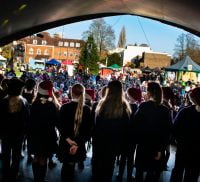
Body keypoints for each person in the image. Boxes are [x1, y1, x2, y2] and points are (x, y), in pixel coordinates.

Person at [92, 80, 131, 182]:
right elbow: (126, 129)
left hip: (100, 142)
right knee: (109, 168)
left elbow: (96, 124)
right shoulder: (124, 106)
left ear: (108, 90)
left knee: (98, 168)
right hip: (114, 144)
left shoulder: (102, 104)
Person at [133, 82, 172, 182]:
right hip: (156, 146)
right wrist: (161, 149)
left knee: (140, 171)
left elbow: (135, 125)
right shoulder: (165, 110)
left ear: (149, 93)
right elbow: (167, 132)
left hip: (143, 144)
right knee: (152, 173)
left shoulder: (143, 106)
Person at [58, 83, 91, 182]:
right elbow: (88, 130)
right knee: (71, 168)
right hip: (79, 143)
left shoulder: (64, 107)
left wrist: (68, 139)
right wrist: (77, 143)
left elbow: (60, 126)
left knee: (66, 167)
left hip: (65, 142)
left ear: (71, 93)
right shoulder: (87, 109)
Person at [28, 80, 59, 182]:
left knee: (36, 157)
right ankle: (41, 179)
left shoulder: (34, 103)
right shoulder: (51, 105)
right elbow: (55, 121)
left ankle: (36, 178)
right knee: (43, 158)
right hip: (47, 135)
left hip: (35, 135)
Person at [0, 78, 29, 181]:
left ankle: (5, 174)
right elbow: (26, 120)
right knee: (16, 156)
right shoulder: (24, 102)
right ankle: (14, 174)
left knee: (5, 155)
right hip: (18, 135)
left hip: (5, 134)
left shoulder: (3, 101)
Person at [170, 87, 200, 182]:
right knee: (192, 173)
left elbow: (175, 129)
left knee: (178, 171)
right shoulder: (185, 111)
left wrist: (178, 140)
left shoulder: (185, 111)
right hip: (196, 151)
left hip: (183, 148)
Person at [117, 87, 141, 182]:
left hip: (124, 135)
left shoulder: (124, 106)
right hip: (133, 136)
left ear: (130, 95)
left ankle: (120, 174)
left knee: (123, 157)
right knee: (130, 157)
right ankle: (129, 175)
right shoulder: (138, 107)